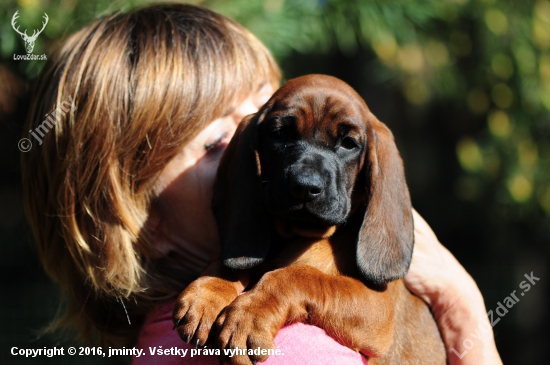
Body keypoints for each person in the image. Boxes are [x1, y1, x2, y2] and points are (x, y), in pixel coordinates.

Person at [21, 3, 502, 364]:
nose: (245, 152)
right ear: (138, 219)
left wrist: (457, 296)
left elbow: (377, 323)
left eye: (255, 117)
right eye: (215, 143)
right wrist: (462, 302)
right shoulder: (287, 349)